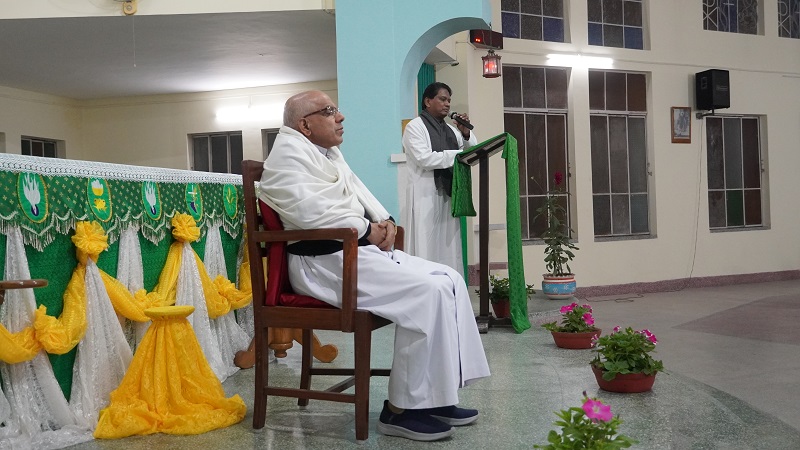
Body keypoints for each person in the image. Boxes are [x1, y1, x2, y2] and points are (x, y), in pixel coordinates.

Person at [257, 90, 490, 442]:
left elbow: (358, 194)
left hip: (350, 253)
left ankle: (437, 398)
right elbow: (310, 214)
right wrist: (368, 230)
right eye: (329, 111)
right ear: (304, 124)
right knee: (426, 292)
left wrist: (386, 222)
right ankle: (401, 410)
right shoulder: (286, 158)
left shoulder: (325, 152)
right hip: (322, 263)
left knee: (450, 279)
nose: (340, 117)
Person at [401, 82, 478, 277]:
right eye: (442, 99)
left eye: (449, 100)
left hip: (449, 194)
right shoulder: (415, 127)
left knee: (449, 247)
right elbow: (424, 158)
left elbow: (472, 150)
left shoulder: (452, 130)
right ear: (428, 101)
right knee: (425, 245)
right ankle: (426, 286)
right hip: (426, 195)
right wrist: (457, 155)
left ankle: (449, 284)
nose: (447, 104)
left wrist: (465, 132)